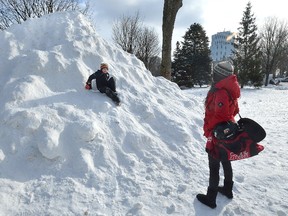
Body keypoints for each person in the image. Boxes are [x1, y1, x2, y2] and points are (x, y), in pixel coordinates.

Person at [196, 61, 241, 209]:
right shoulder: (228, 88)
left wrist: (210, 129)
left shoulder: (220, 91)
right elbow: (234, 111)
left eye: (214, 73)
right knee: (225, 159)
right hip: (226, 131)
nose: (212, 75)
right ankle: (228, 189)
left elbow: (220, 116)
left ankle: (211, 198)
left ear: (219, 75)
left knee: (214, 165)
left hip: (218, 134)